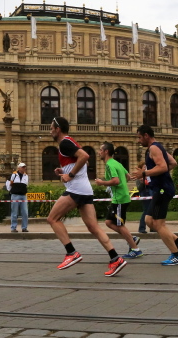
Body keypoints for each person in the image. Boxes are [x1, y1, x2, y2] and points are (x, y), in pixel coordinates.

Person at [46, 117, 126, 277]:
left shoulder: (64, 143)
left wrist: (70, 174)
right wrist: (64, 171)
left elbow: (84, 157)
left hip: (76, 190)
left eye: (51, 128)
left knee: (52, 219)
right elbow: (84, 163)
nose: (50, 131)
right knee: (93, 227)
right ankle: (115, 258)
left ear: (58, 129)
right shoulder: (70, 142)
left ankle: (71, 253)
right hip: (86, 190)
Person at [129, 125, 178, 266]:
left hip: (163, 189)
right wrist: (155, 173)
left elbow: (162, 167)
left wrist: (145, 173)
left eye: (139, 137)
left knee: (158, 224)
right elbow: (173, 163)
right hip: (160, 188)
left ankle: (177, 255)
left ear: (146, 135)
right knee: (149, 221)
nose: (138, 141)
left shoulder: (154, 148)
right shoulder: (158, 147)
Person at [95, 142, 143, 259]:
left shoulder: (109, 165)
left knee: (119, 224)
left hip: (120, 199)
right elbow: (128, 177)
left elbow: (116, 181)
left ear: (106, 151)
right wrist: (122, 185)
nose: (99, 152)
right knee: (108, 222)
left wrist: (102, 182)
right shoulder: (117, 163)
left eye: (100, 150)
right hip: (120, 197)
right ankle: (131, 238)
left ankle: (135, 249)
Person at [6, 163, 30, 232]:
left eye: (24, 167)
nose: (24, 168)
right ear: (19, 168)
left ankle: (24, 227)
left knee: (25, 212)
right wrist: (10, 190)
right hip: (15, 195)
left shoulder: (26, 176)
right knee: (14, 212)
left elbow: (26, 185)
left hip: (23, 196)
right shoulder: (13, 175)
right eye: (22, 167)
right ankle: (13, 228)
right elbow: (8, 183)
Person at [135, 161, 152, 233]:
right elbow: (139, 187)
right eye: (144, 167)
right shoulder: (139, 176)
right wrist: (142, 181)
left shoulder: (149, 175)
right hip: (145, 193)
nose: (146, 168)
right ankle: (142, 228)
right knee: (146, 211)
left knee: (152, 211)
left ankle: (152, 228)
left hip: (151, 193)